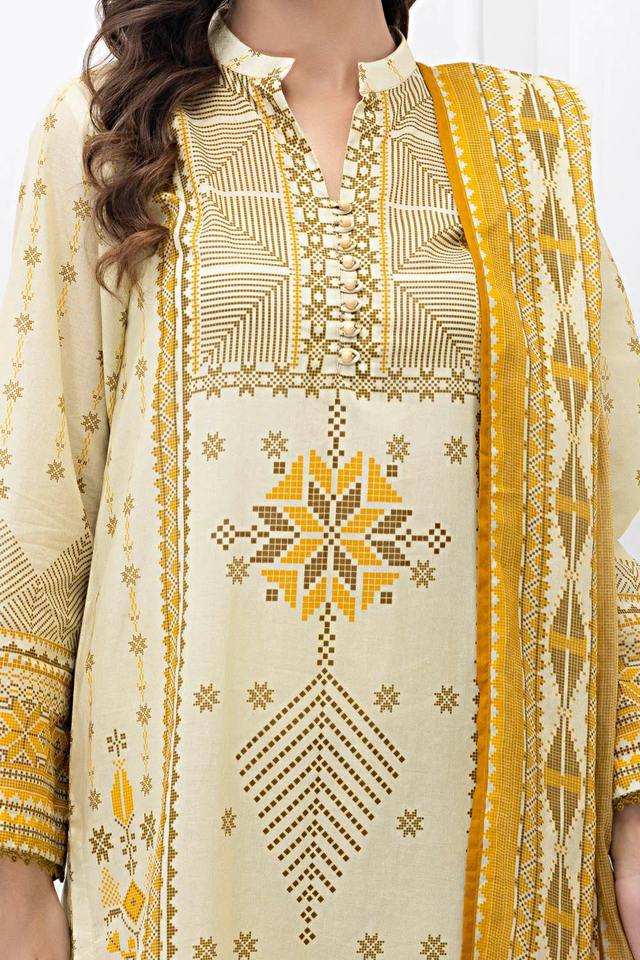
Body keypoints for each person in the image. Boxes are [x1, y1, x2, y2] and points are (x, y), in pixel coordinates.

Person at [0, 0, 639, 957]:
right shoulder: (112, 132)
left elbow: (589, 523)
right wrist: (13, 876)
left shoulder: (524, 144)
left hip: (468, 870)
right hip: (178, 874)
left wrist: (632, 808)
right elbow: (40, 516)